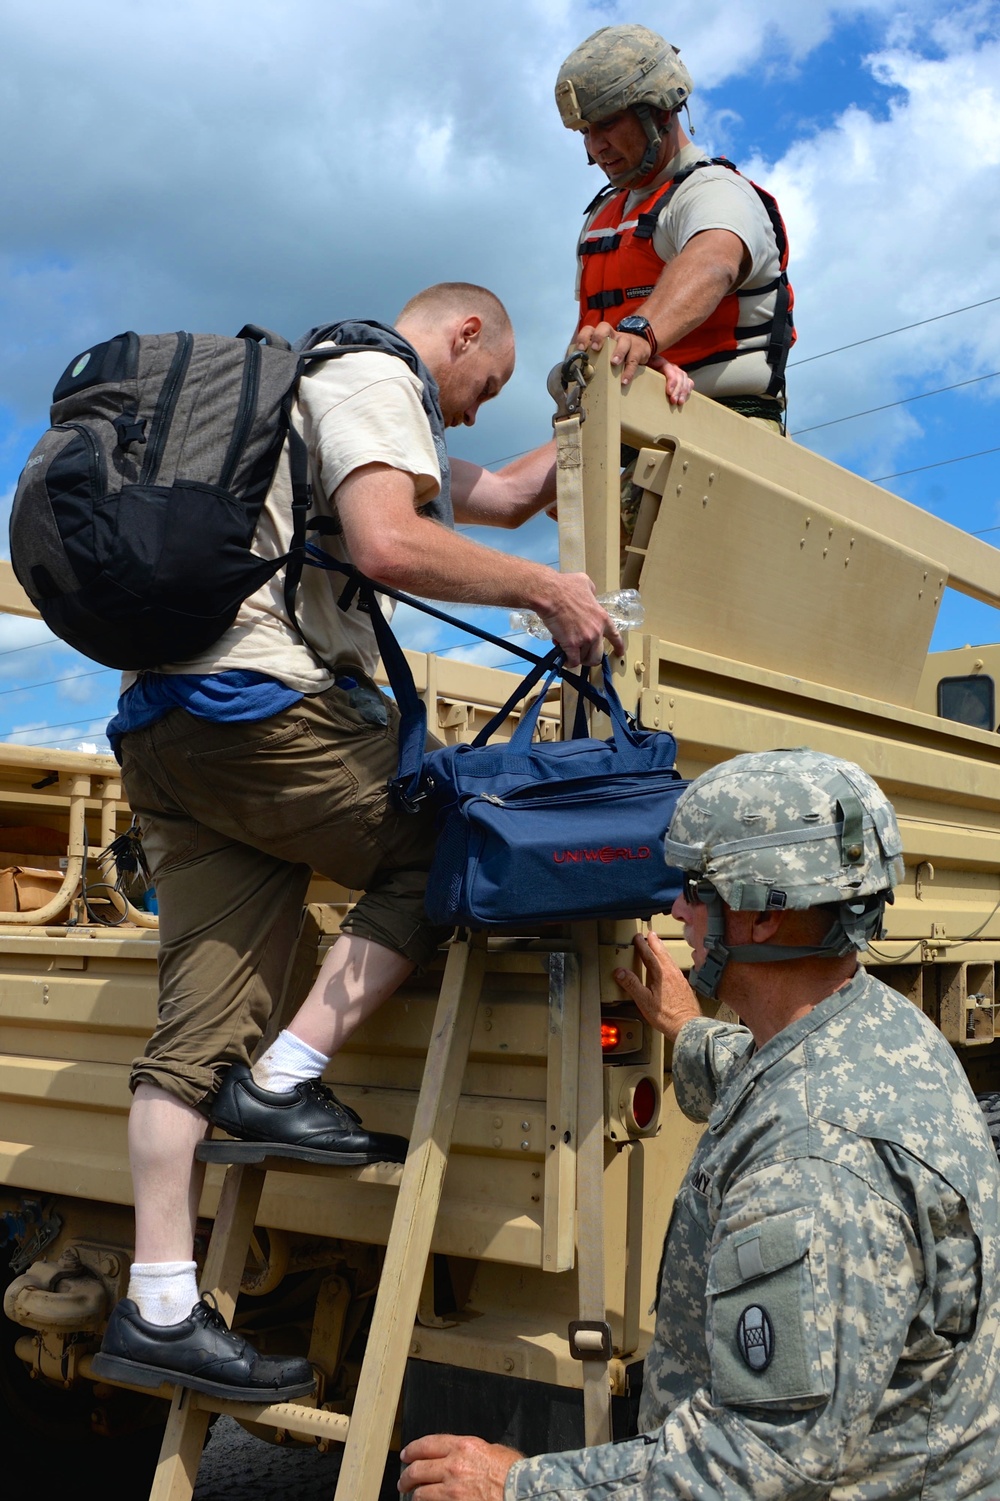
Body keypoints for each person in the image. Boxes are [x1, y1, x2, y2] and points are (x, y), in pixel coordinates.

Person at [91, 282, 623, 1403]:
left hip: (169, 731)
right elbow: (390, 543)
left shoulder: (329, 404)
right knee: (464, 839)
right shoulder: (376, 374)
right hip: (262, 711)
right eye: (482, 387)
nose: (473, 413)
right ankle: (289, 1075)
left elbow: (513, 492)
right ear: (462, 334)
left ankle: (160, 1303)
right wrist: (548, 593)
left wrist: (613, 378)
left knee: (193, 1029)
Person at [399, 748, 1000, 1498]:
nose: (676, 910)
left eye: (693, 887)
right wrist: (688, 1029)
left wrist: (516, 1484)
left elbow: (757, 1464)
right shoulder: (876, 1029)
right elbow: (768, 1075)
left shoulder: (815, 1167)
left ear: (764, 911)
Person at [556, 25, 794, 459]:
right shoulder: (601, 217)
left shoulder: (713, 191)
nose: (595, 146)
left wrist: (640, 334)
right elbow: (584, 338)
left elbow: (713, 262)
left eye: (607, 123)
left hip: (722, 429)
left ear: (662, 112)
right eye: (585, 131)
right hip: (615, 433)